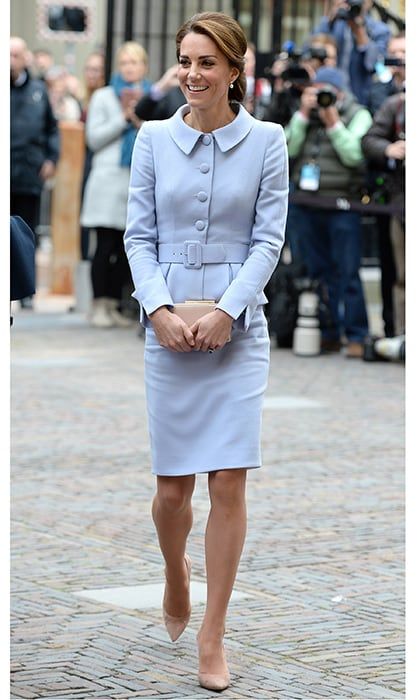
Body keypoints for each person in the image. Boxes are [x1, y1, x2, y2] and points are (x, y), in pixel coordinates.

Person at [124, 11, 288, 692]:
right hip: (167, 331)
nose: (192, 74)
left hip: (237, 335)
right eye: (186, 61)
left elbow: (268, 239)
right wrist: (158, 310)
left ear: (235, 69)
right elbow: (138, 237)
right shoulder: (153, 139)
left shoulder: (269, 140)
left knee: (228, 481)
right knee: (171, 492)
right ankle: (174, 570)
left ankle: (214, 635)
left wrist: (229, 310)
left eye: (206, 63)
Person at [285, 66, 372, 357]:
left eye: (327, 92)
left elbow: (355, 155)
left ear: (341, 93)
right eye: (316, 91)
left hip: (342, 205)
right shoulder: (306, 117)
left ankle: (357, 334)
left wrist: (333, 121)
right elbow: (286, 151)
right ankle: (327, 331)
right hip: (307, 204)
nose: (321, 98)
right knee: (315, 272)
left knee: (348, 272)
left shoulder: (357, 114)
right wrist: (302, 114)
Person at [80, 41, 151, 328]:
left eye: (134, 63)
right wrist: (123, 119)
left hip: (136, 181)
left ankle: (113, 304)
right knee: (104, 245)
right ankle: (98, 304)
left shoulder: (150, 96)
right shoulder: (104, 97)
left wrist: (140, 120)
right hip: (107, 181)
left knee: (126, 247)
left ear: (143, 67)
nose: (129, 68)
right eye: (124, 63)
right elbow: (93, 138)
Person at [10, 36, 60, 309]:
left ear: (25, 58)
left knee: (26, 231)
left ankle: (26, 289)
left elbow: (52, 128)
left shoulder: (39, 91)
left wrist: (52, 158)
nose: (11, 61)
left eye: (16, 55)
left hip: (29, 172)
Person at [362, 90, 405, 337]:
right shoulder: (397, 105)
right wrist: (390, 148)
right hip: (401, 205)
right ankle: (402, 337)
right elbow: (370, 140)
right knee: (403, 276)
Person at [312, 0, 391, 106]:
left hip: (362, 99)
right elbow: (312, 50)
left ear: (369, 2)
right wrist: (331, 17)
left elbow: (374, 66)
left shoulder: (380, 30)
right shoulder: (332, 24)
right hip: (329, 95)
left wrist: (360, 32)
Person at [79, 51, 106, 261]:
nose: (91, 74)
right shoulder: (83, 97)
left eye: (96, 69)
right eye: (88, 69)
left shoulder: (106, 97)